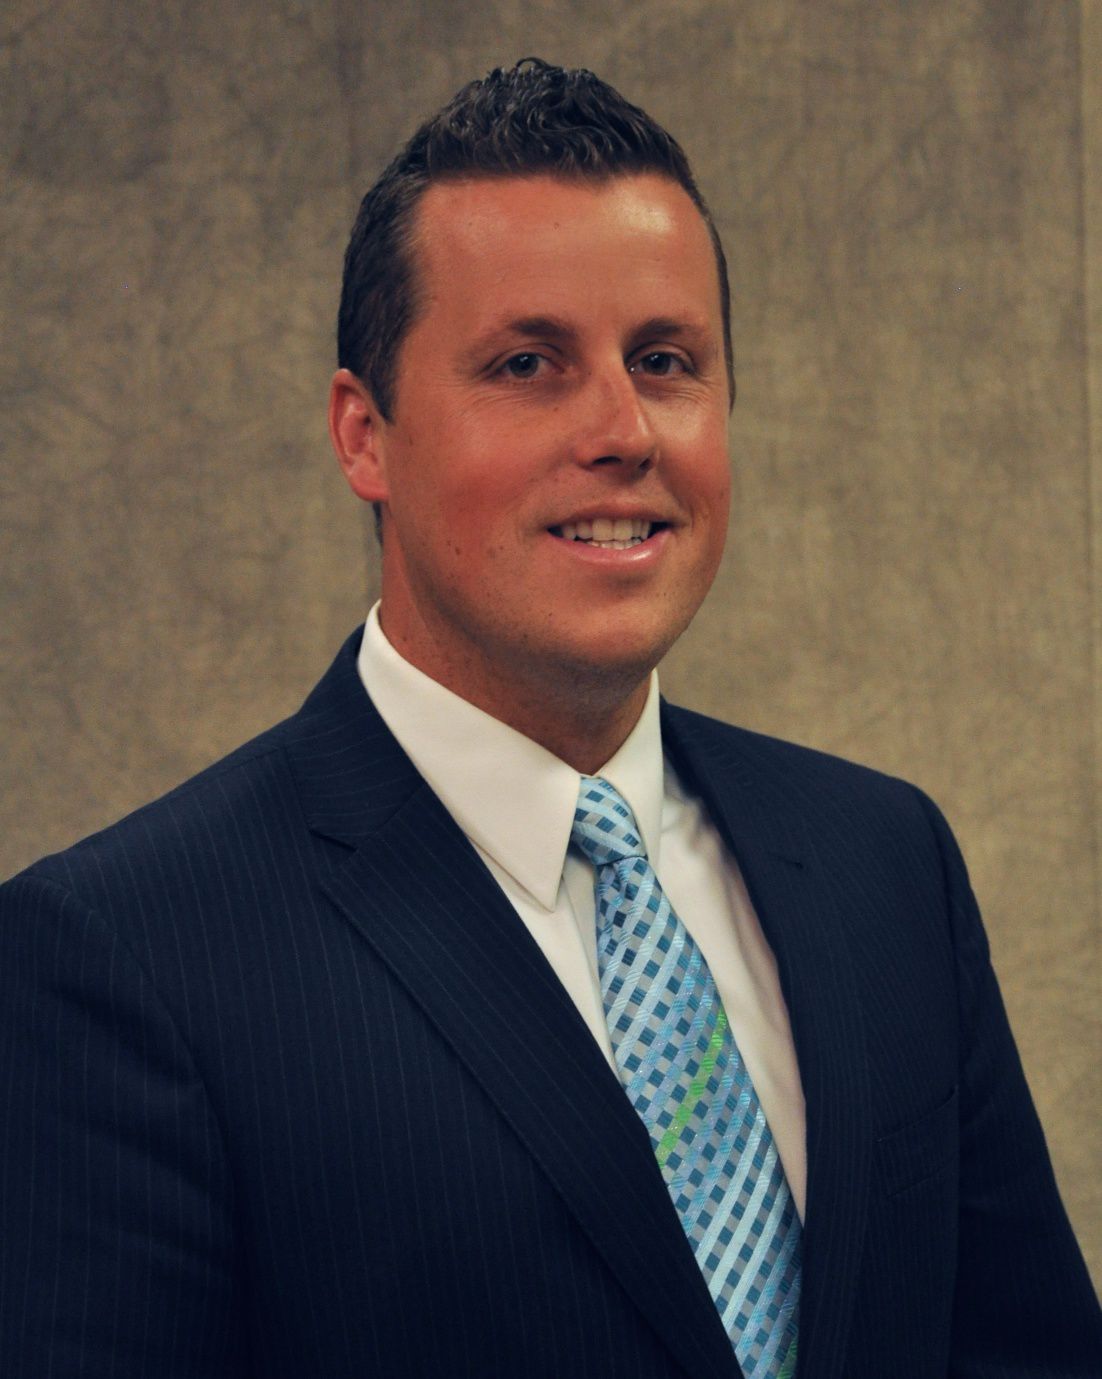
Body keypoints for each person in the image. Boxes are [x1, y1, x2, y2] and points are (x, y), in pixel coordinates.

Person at [1, 58, 1099, 1379]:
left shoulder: (885, 860)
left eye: (664, 361)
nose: (624, 429)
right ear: (364, 435)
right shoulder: (123, 958)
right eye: (528, 364)